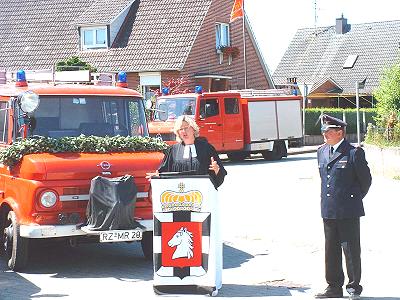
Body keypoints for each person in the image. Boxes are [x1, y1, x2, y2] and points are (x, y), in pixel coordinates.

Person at [315, 114, 372, 299]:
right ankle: (333, 287)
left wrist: (353, 199)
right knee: (330, 250)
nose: (324, 134)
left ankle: (354, 287)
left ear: (340, 132)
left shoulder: (354, 152)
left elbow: (365, 181)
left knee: (351, 249)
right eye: (323, 131)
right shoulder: (321, 151)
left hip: (348, 209)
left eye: (328, 131)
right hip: (329, 209)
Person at [147, 115, 226, 189]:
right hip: (180, 197)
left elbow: (219, 174)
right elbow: (164, 173)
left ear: (193, 129)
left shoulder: (207, 148)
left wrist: (217, 170)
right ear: (178, 133)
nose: (184, 131)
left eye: (186, 128)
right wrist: (157, 176)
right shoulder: (173, 150)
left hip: (202, 195)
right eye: (181, 129)